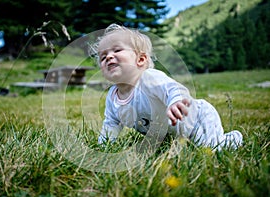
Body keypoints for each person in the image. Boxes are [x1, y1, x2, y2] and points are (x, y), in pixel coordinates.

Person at [89, 24, 243, 151]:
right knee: (178, 148)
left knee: (210, 150)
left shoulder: (149, 78)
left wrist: (175, 101)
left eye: (117, 50)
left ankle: (232, 139)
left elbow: (174, 89)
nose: (109, 57)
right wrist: (104, 147)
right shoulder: (112, 97)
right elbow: (111, 124)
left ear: (141, 59)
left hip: (197, 119)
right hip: (172, 134)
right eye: (103, 57)